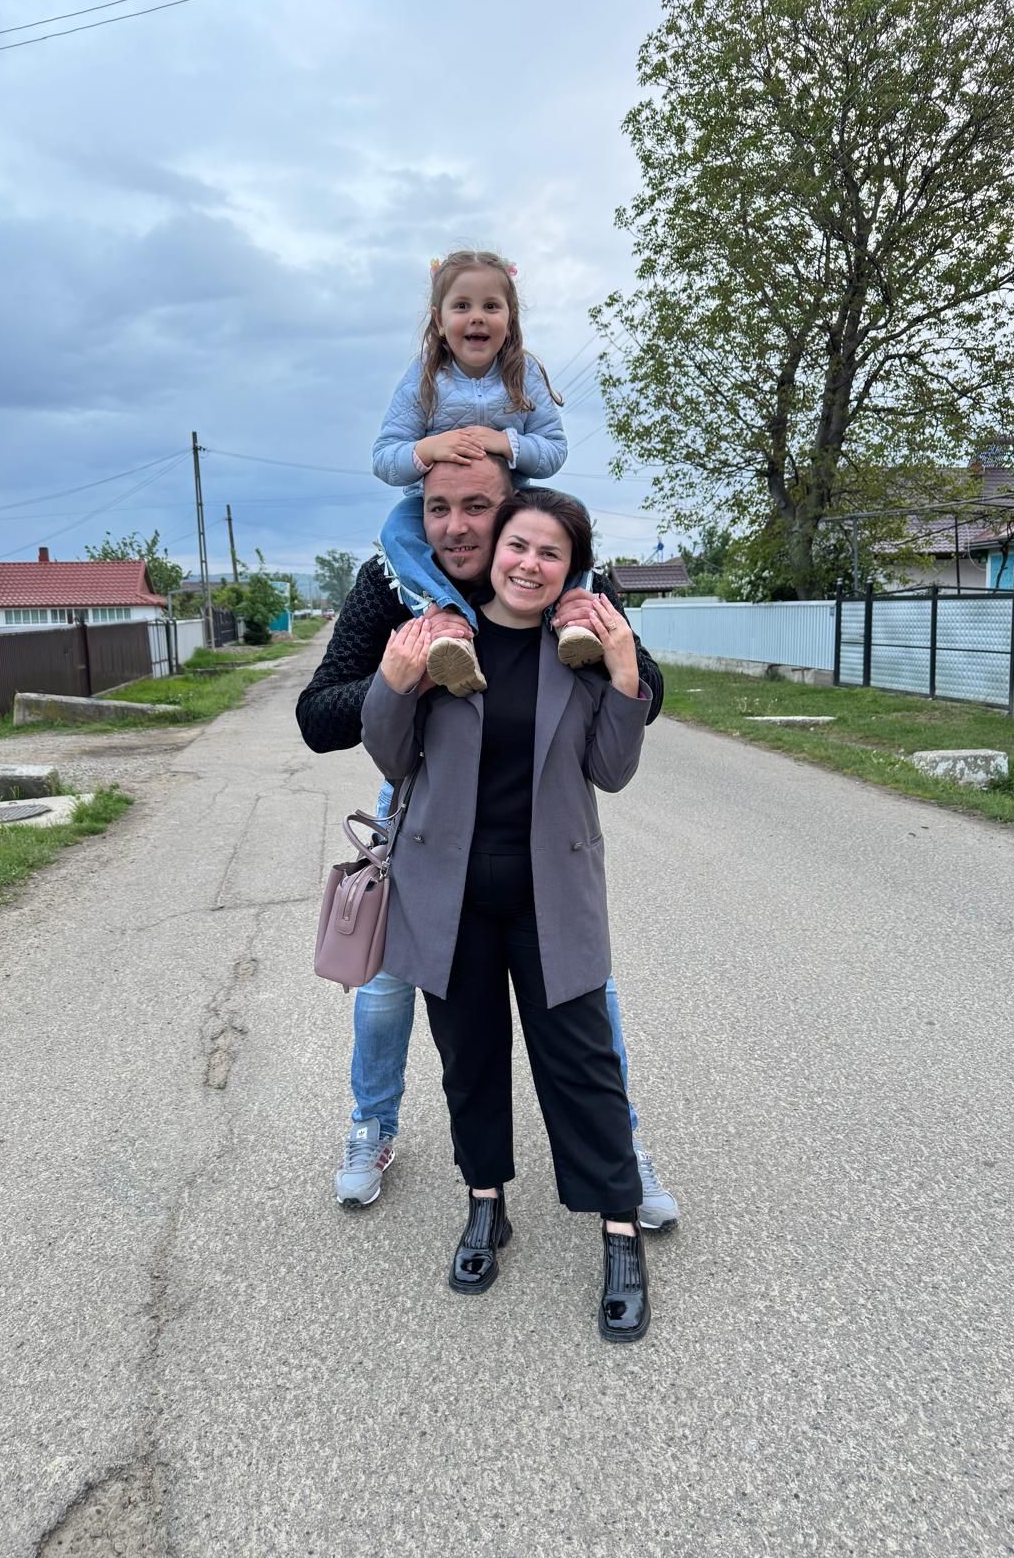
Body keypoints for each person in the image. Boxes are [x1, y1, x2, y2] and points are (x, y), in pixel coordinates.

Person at [295, 454, 680, 1234]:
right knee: (391, 989)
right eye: (437, 507)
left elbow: (646, 692)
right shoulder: (392, 584)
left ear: (510, 509)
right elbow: (317, 717)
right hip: (426, 800)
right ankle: (375, 1124)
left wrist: (604, 646)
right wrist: (404, 674)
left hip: (535, 823)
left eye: (477, 507)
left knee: (583, 995)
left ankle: (621, 1149)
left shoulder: (559, 577)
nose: (455, 526)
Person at [362, 488, 652, 1341]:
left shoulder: (581, 653)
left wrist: (625, 671)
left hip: (551, 893)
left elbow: (611, 771)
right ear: (494, 553)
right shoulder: (440, 637)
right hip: (446, 893)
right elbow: (392, 753)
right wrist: (393, 683)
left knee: (583, 1064)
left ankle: (621, 1229)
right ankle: (485, 1202)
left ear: (572, 570)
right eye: (518, 545)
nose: (529, 564)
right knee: (471, 1060)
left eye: (550, 553)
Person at [372, 249, 601, 695]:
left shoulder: (524, 373)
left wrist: (505, 443)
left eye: (491, 306)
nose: (477, 317)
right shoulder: (424, 377)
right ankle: (446, 618)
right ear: (439, 320)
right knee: (396, 530)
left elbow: (554, 450)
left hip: (513, 501)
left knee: (572, 516)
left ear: (509, 319)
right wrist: (427, 448)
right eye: (462, 305)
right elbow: (384, 457)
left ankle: (572, 615)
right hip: (434, 498)